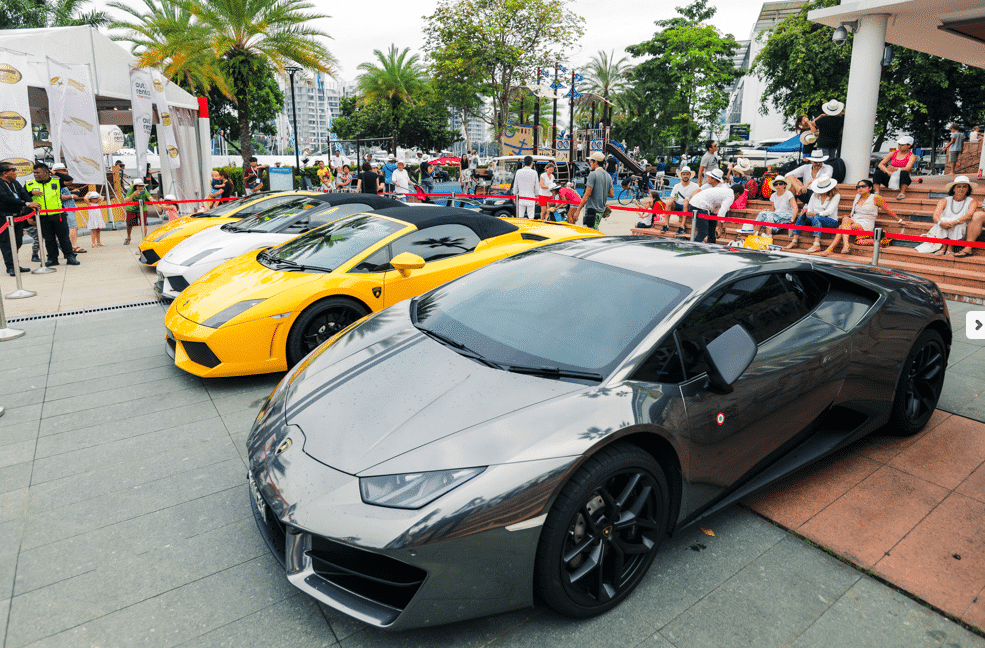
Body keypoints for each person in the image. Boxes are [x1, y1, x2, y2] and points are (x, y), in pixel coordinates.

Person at [820, 178, 904, 257]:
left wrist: (899, 220)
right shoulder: (857, 196)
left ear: (870, 188)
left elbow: (887, 210)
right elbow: (855, 212)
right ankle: (844, 246)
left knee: (841, 227)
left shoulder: (875, 197)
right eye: (858, 187)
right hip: (855, 219)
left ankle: (832, 249)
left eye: (863, 186)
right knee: (845, 220)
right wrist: (848, 216)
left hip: (866, 223)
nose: (860, 188)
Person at [26, 162, 79, 266]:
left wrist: (54, 172)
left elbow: (69, 179)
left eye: (38, 172)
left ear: (46, 172)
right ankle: (52, 259)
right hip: (42, 217)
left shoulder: (57, 181)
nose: (35, 175)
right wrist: (31, 193)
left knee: (64, 238)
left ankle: (70, 257)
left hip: (58, 215)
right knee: (49, 239)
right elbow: (24, 199)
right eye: (34, 173)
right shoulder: (30, 184)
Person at [920, 176, 977, 256]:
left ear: (968, 189)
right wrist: (941, 223)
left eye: (964, 187)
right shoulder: (944, 200)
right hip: (944, 227)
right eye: (958, 186)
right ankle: (943, 246)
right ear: (953, 189)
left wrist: (954, 222)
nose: (961, 189)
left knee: (958, 223)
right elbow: (936, 216)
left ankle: (950, 247)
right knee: (944, 219)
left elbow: (968, 215)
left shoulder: (972, 202)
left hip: (961, 230)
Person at [0, 162, 40, 276]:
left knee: (17, 241)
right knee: (7, 243)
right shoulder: (1, 184)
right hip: (4, 218)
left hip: (17, 217)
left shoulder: (15, 183)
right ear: (5, 173)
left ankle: (15, 264)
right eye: (13, 170)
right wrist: (26, 203)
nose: (15, 172)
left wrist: (31, 203)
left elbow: (24, 195)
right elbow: (5, 199)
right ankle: (11, 267)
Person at [683, 173, 745, 244]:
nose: (738, 198)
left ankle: (711, 245)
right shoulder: (730, 195)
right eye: (740, 196)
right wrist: (719, 227)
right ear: (737, 194)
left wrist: (718, 225)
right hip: (699, 206)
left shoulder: (725, 191)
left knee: (711, 229)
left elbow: (717, 210)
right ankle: (692, 247)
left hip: (699, 204)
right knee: (703, 232)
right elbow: (722, 212)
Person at [787, 176, 841, 253]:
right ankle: (794, 241)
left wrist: (816, 213)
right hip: (814, 218)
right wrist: (807, 212)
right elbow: (810, 208)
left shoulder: (836, 195)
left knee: (816, 218)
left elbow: (830, 211)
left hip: (831, 220)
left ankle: (816, 244)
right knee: (801, 217)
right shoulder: (814, 195)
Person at [569, 151, 614, 229]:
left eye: (591, 161)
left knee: (589, 234)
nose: (590, 163)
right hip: (601, 210)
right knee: (595, 230)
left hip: (591, 211)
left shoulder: (593, 174)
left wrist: (578, 210)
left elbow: (587, 194)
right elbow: (612, 194)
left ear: (595, 162)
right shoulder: (608, 176)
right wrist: (600, 190)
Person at [872, 136, 917, 200]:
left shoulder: (912, 156)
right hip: (890, 178)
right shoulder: (893, 153)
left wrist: (896, 169)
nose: (899, 146)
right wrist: (888, 172)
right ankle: (876, 193)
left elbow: (908, 168)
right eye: (899, 144)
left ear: (909, 146)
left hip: (901, 180)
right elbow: (880, 164)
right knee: (877, 172)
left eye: (902, 145)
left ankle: (902, 193)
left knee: (904, 172)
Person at [123, 178, 151, 245]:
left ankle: (144, 238)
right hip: (131, 209)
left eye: (142, 186)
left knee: (143, 224)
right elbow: (126, 200)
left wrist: (158, 204)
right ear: (135, 186)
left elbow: (151, 198)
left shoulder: (145, 192)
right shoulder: (130, 191)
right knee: (129, 225)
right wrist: (133, 195)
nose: (140, 187)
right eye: (139, 186)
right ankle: (128, 236)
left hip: (142, 209)